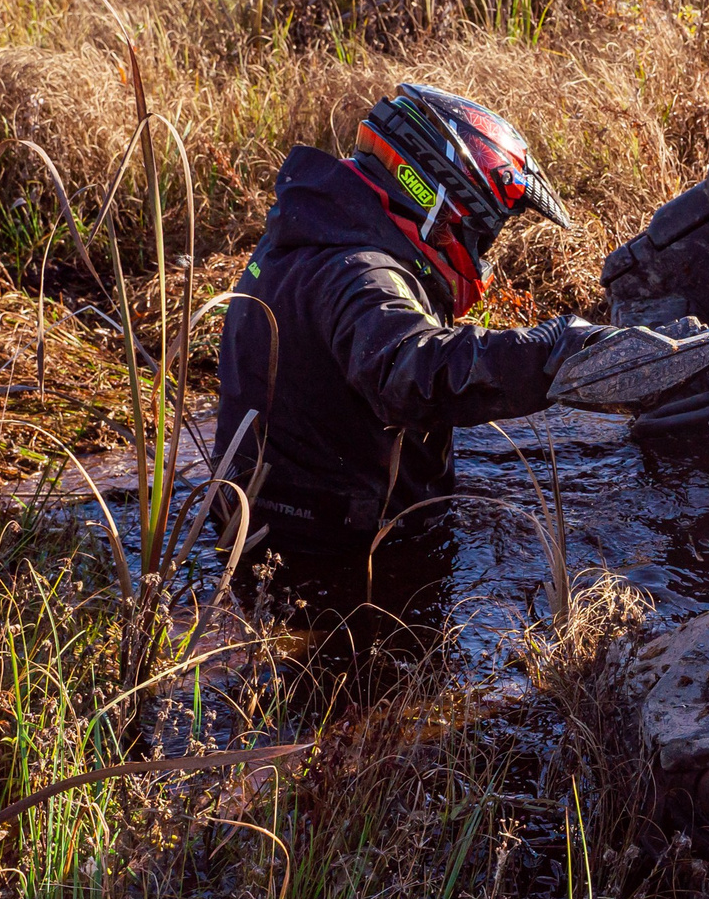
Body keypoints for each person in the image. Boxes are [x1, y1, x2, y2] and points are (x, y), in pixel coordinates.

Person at [212, 83, 616, 659]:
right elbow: (412, 367)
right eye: (481, 234)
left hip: (278, 525)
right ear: (438, 204)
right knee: (388, 705)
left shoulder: (318, 229)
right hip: (336, 559)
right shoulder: (357, 272)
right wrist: (554, 352)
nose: (482, 250)